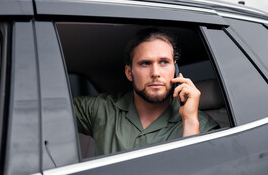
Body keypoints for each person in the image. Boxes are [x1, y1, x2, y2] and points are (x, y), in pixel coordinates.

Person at [74, 27, 219, 155]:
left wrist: (190, 121)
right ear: (129, 73)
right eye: (145, 63)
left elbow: (199, 168)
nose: (155, 73)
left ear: (175, 69)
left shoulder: (201, 124)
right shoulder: (101, 109)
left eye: (164, 62)